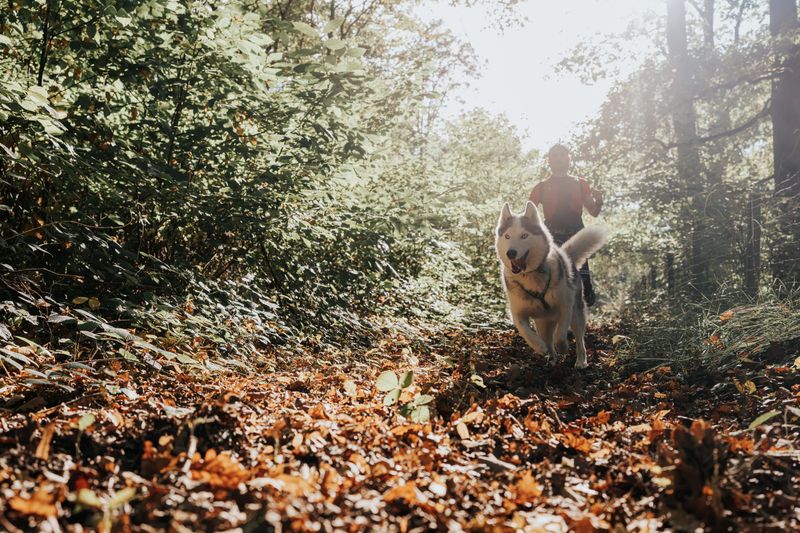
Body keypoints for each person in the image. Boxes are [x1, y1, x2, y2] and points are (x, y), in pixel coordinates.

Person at [529, 144, 604, 306]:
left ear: (569, 159)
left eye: (562, 155)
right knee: (554, 278)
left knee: (582, 282)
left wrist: (599, 202)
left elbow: (594, 211)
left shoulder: (580, 184)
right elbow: (529, 217)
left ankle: (575, 322)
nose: (559, 158)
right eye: (555, 155)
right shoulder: (540, 188)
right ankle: (555, 320)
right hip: (551, 236)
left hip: (576, 233)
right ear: (549, 160)